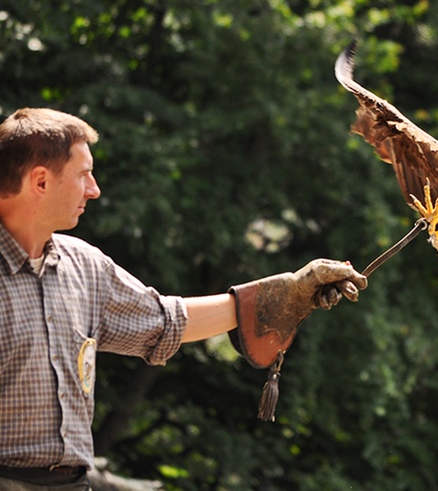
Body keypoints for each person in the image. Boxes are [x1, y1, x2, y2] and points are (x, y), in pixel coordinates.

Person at [0, 108, 368, 490]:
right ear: (40, 181)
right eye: (83, 175)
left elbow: (166, 321)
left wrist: (288, 291)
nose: (94, 189)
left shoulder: (85, 267)